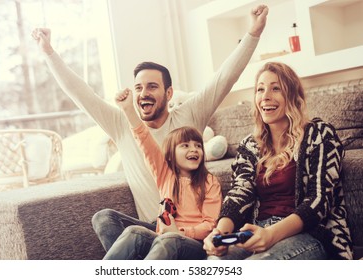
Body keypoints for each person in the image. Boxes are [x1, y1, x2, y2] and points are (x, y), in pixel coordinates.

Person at [31, 4, 268, 254]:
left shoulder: (188, 115)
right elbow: (80, 93)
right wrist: (48, 52)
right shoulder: (122, 122)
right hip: (153, 228)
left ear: (168, 93)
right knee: (104, 218)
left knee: (166, 241)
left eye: (152, 86)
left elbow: (224, 77)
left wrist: (253, 32)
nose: (144, 93)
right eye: (139, 87)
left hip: (188, 237)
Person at [203, 62, 353, 260]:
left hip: (308, 235)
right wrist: (220, 233)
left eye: (276, 88)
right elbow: (240, 192)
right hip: (257, 231)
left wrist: (271, 234)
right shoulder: (249, 145)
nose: (265, 96)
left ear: (292, 95)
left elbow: (318, 201)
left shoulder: (319, 135)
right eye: (260, 89)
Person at [101, 88, 221, 260]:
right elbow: (144, 140)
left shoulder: (209, 182)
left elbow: (211, 225)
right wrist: (128, 108)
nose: (194, 149)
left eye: (198, 145)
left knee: (168, 239)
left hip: (192, 245)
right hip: (162, 238)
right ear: (171, 154)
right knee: (106, 218)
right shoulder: (165, 173)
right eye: (185, 145)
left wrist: (179, 231)